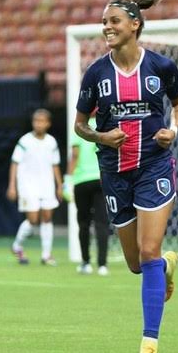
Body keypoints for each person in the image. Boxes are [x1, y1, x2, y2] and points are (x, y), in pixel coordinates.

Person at [73, 0, 178, 353]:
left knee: (149, 251)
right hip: (114, 173)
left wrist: (173, 128)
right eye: (104, 22)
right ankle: (166, 269)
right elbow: (79, 125)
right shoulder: (95, 74)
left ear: (134, 24)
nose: (106, 27)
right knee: (138, 264)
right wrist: (101, 138)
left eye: (114, 21)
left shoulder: (161, 66)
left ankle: (149, 341)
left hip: (154, 166)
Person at [7, 108, 63, 266]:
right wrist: (12, 185)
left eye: (41, 121)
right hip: (27, 184)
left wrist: (59, 185)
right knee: (32, 219)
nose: (38, 124)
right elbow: (15, 163)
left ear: (48, 124)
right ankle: (17, 245)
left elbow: (55, 165)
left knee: (47, 217)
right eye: (36, 121)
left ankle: (46, 255)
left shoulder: (51, 142)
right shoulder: (25, 141)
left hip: (46, 184)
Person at [65, 115, 109, 276]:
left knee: (83, 223)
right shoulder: (106, 124)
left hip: (81, 180)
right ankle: (103, 265)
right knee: (102, 223)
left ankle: (85, 262)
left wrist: (67, 181)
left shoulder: (79, 126)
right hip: (101, 178)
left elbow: (75, 156)